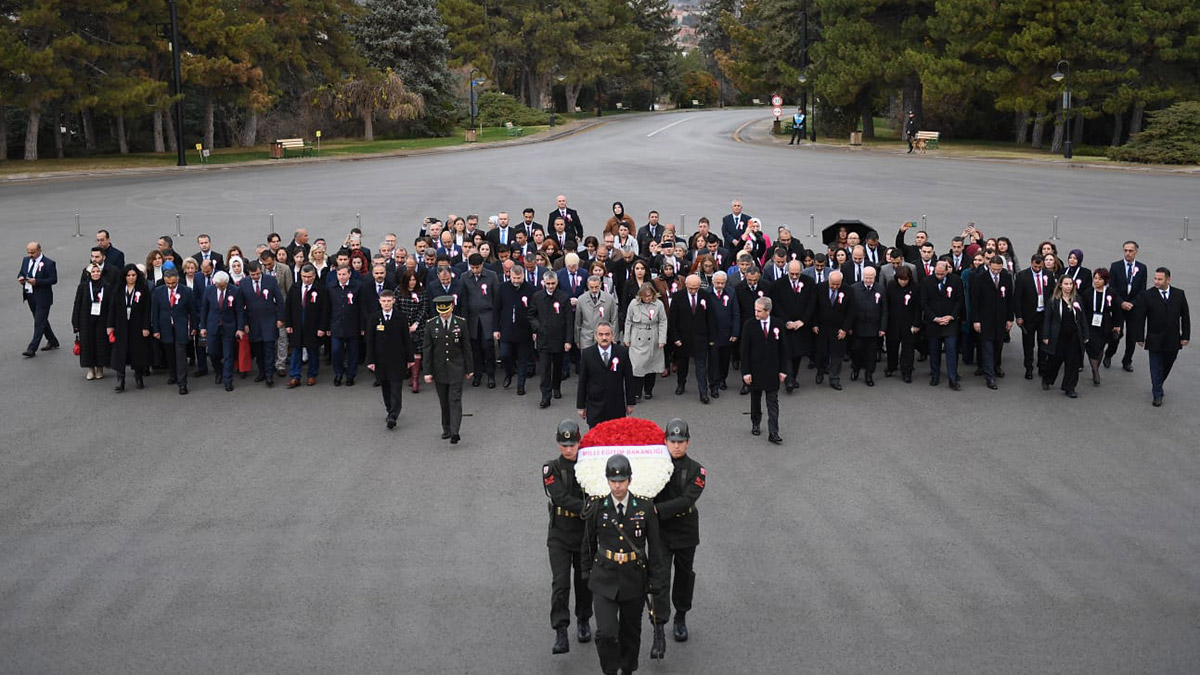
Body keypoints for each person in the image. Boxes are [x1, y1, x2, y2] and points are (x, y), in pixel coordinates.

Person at [581, 454, 669, 675]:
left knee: (631, 633)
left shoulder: (645, 507)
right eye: (613, 481)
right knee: (606, 633)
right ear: (607, 480)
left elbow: (656, 548)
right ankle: (610, 670)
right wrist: (585, 573)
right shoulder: (597, 506)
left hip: (633, 578)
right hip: (604, 577)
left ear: (630, 480)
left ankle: (628, 670)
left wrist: (656, 581)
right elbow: (588, 543)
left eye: (621, 480)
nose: (617, 486)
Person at [650, 418, 705, 648]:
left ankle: (680, 616)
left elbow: (686, 500)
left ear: (688, 442)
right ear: (665, 441)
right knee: (659, 579)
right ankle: (659, 627)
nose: (676, 446)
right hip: (661, 531)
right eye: (672, 441)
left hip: (685, 529)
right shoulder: (655, 466)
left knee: (684, 575)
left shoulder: (696, 470)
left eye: (681, 441)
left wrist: (657, 509)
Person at [543, 420, 593, 655]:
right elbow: (559, 497)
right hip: (560, 534)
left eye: (572, 444)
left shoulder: (590, 467)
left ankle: (583, 620)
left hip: (584, 534)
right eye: (564, 445)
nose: (569, 449)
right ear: (558, 444)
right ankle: (560, 630)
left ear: (579, 442)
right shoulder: (551, 468)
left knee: (584, 583)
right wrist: (586, 507)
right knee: (561, 584)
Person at [1131, 267, 1190, 407]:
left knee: (1168, 364)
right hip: (1154, 338)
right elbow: (1140, 318)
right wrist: (1139, 336)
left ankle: (1158, 383)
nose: (1156, 281)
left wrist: (1185, 335)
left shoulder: (1179, 294)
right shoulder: (1147, 295)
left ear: (1168, 279)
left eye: (1160, 279)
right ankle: (1157, 393)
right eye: (1155, 279)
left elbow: (1185, 317)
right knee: (1155, 367)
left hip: (1173, 338)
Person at [422, 295, 474, 444]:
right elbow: (427, 350)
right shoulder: (431, 325)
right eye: (441, 312)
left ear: (452, 308)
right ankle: (446, 427)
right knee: (444, 401)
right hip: (439, 369)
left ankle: (455, 431)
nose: (444, 314)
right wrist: (427, 371)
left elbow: (466, 347)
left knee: (455, 399)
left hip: (457, 368)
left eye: (447, 311)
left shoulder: (461, 323)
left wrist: (469, 368)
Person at [365, 290, 415, 429]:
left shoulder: (401, 317)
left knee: (396, 387)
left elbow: (406, 339)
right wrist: (370, 360)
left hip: (397, 358)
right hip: (381, 359)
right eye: (383, 301)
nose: (386, 304)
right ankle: (389, 409)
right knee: (385, 386)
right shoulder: (374, 318)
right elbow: (370, 340)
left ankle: (393, 414)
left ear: (393, 301)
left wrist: (410, 358)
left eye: (389, 301)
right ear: (380, 302)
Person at [741, 297, 788, 443]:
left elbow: (783, 349)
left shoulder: (778, 324)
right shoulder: (749, 325)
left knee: (773, 402)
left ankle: (773, 432)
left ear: (768, 311)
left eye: (759, 311)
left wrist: (783, 370)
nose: (756, 313)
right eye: (755, 310)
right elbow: (744, 350)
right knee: (755, 399)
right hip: (755, 370)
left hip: (772, 370)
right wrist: (746, 372)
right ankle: (756, 422)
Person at [575, 322, 636, 427]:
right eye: (601, 334)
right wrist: (581, 406)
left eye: (607, 334)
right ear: (596, 336)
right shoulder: (587, 354)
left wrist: (630, 402)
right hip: (595, 407)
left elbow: (629, 379)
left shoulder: (622, 352)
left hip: (616, 406)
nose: (604, 337)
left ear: (612, 335)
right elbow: (583, 381)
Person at [668, 275, 717, 402]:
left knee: (701, 365)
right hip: (683, 338)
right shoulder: (678, 297)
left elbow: (710, 317)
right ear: (686, 286)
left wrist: (711, 337)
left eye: (696, 288)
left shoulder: (705, 296)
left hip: (701, 337)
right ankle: (681, 384)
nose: (694, 291)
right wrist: (675, 337)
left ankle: (703, 393)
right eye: (691, 288)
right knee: (682, 364)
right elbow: (672, 320)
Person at [150, 267, 198, 395]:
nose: (170, 286)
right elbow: (155, 312)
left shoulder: (186, 291)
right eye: (168, 283)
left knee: (180, 354)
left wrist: (194, 327)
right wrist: (155, 329)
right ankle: (173, 374)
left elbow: (192, 311)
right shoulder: (158, 291)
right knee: (170, 353)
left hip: (181, 327)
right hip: (165, 327)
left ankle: (182, 383)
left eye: (173, 283)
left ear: (177, 279)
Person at [529, 272, 573, 408]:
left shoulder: (564, 297)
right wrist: (537, 328)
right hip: (543, 339)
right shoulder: (537, 297)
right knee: (545, 368)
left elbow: (569, 320)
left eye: (553, 283)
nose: (550, 286)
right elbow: (531, 315)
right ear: (543, 283)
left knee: (557, 366)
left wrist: (568, 340)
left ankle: (556, 387)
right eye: (548, 284)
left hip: (559, 338)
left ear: (557, 282)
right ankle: (545, 396)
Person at [970, 256, 1015, 390]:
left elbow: (1009, 299)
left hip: (1001, 319)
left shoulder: (1006, 277)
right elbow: (975, 302)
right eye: (994, 269)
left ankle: (996, 366)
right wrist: (976, 320)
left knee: (998, 345)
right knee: (987, 347)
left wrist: (1010, 318)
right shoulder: (980, 278)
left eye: (999, 270)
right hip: (985, 319)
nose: (996, 272)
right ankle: (989, 376)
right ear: (989, 266)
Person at [1041, 275, 1087, 398]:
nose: (1068, 287)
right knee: (1054, 361)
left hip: (1074, 337)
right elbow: (1047, 319)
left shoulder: (1077, 299)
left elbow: (1082, 319)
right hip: (1059, 337)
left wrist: (1085, 335)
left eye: (1070, 284)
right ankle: (1047, 379)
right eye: (1066, 284)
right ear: (1060, 285)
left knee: (1073, 363)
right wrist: (1046, 335)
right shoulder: (1053, 301)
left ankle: (1069, 387)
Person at [107, 264, 152, 391]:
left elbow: (147, 310)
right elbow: (112, 308)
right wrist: (110, 325)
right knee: (120, 352)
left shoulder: (142, 290)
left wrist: (146, 327)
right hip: (121, 325)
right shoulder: (119, 289)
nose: (131, 278)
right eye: (128, 275)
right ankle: (120, 379)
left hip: (137, 325)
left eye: (133, 275)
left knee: (137, 351)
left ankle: (138, 376)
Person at [920, 260, 964, 390]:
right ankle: (935, 375)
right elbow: (923, 303)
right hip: (934, 322)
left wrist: (951, 316)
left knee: (951, 350)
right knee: (934, 350)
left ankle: (952, 377)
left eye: (942, 274)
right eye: (937, 274)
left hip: (950, 322)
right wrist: (934, 318)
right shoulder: (927, 281)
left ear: (947, 271)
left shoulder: (955, 280)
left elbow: (959, 300)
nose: (939, 277)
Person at [240, 260, 284, 387]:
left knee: (269, 348)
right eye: (253, 275)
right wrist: (245, 324)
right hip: (253, 323)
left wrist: (280, 318)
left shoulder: (270, 280)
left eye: (258, 274)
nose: (255, 277)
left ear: (261, 270)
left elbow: (279, 300)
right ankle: (262, 371)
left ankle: (269, 375)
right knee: (258, 350)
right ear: (249, 273)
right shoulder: (244, 283)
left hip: (269, 320)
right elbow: (240, 306)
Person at [285, 264, 330, 388]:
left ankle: (312, 375)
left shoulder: (320, 289)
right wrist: (288, 324)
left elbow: (325, 310)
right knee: (296, 350)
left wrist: (322, 327)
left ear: (314, 276)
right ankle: (295, 376)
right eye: (304, 276)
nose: (306, 279)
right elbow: (288, 306)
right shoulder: (295, 288)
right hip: (297, 324)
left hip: (313, 325)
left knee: (313, 350)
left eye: (309, 277)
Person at [200, 271, 246, 392]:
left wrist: (240, 328)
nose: (220, 287)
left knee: (228, 355)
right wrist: (203, 327)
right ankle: (218, 371)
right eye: (218, 285)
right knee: (213, 353)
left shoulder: (235, 291)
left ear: (226, 282)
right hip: (213, 326)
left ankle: (228, 380)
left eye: (222, 285)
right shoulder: (209, 290)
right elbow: (204, 309)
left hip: (228, 327)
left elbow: (240, 311)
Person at [1106, 240, 1148, 372]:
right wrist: (1121, 302)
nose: (1128, 253)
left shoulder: (1142, 268)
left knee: (1132, 336)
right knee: (1117, 333)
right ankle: (1108, 355)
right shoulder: (1116, 266)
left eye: (1130, 251)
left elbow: (1142, 289)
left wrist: (1133, 303)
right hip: (1119, 305)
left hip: (1134, 307)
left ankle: (1127, 360)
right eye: (1125, 250)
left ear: (1136, 252)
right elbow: (1112, 287)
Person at [461, 253, 500, 389]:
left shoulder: (492, 276)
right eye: (472, 268)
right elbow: (463, 300)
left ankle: (490, 374)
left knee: (488, 347)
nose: (475, 270)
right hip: (472, 318)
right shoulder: (464, 277)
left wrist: (496, 321)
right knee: (474, 348)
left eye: (477, 267)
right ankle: (477, 374)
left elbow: (497, 298)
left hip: (487, 317)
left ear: (482, 265)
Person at [624, 282, 668, 401]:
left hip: (653, 335)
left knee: (651, 366)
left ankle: (648, 390)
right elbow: (628, 321)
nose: (647, 298)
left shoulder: (658, 304)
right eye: (645, 296)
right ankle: (637, 392)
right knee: (637, 366)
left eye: (649, 295)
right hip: (637, 335)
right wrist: (626, 338)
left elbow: (663, 321)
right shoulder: (634, 304)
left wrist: (662, 339)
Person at [496, 264, 536, 395]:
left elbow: (535, 311)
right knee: (504, 355)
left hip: (524, 331)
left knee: (523, 359)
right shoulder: (502, 288)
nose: (516, 281)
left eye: (519, 278)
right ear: (510, 275)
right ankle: (509, 373)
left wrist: (535, 330)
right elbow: (496, 309)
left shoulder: (531, 289)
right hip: (506, 329)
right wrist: (496, 329)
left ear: (523, 276)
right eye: (514, 278)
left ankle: (521, 385)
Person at [813, 270, 855, 390]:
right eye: (833, 284)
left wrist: (845, 329)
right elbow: (814, 307)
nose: (835, 287)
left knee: (837, 355)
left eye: (837, 284)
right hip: (822, 327)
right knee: (822, 353)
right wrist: (814, 324)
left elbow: (851, 312)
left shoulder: (848, 290)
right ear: (829, 280)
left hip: (839, 328)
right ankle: (820, 371)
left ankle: (834, 378)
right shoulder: (820, 288)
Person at [19, 241, 60, 357]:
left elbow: (53, 279)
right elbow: (21, 272)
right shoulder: (26, 260)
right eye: (29, 252)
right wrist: (21, 278)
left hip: (43, 297)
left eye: (33, 252)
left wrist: (37, 282)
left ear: (39, 250)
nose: (30, 255)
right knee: (42, 321)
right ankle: (53, 340)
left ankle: (32, 348)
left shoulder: (49, 263)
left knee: (38, 323)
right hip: (30, 295)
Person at [71, 264, 112, 380]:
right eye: (93, 272)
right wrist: (75, 323)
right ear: (89, 273)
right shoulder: (83, 286)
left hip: (102, 320)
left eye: (98, 271)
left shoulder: (107, 286)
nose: (96, 274)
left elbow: (110, 305)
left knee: (101, 344)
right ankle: (90, 369)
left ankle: (100, 368)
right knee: (88, 345)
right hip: (86, 320)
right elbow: (77, 304)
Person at [1014, 253, 1051, 379]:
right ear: (1031, 263)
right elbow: (1017, 298)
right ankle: (1028, 368)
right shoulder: (1022, 276)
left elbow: (1052, 295)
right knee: (1028, 344)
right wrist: (1018, 316)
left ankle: (1042, 366)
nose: (1037, 269)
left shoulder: (1048, 275)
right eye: (1035, 266)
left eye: (1039, 267)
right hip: (1029, 315)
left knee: (1043, 343)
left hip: (1044, 315)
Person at [849, 266, 887, 386]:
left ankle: (869, 375)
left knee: (871, 354)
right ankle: (855, 369)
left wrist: (882, 328)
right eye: (866, 277)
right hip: (858, 328)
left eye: (871, 278)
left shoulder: (880, 289)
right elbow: (849, 310)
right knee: (856, 351)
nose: (868, 280)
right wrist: (849, 326)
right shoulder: (854, 288)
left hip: (873, 328)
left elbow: (885, 310)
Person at [1083, 269, 1122, 387]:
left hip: (1105, 322)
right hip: (1090, 322)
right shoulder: (1087, 293)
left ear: (1105, 280)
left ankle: (1096, 367)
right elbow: (1083, 310)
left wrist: (1117, 325)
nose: (1097, 281)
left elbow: (1116, 310)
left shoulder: (1111, 293)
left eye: (1100, 279)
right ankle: (1095, 371)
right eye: (1095, 278)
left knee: (1100, 346)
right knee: (1091, 346)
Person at [328, 265, 365, 387]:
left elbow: (361, 308)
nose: (342, 277)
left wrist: (362, 327)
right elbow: (327, 308)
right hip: (336, 324)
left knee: (353, 352)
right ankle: (338, 373)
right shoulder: (331, 287)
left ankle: (350, 375)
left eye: (344, 274)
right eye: (339, 274)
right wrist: (327, 326)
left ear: (349, 274)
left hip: (353, 324)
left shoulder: (358, 286)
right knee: (336, 350)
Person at [884, 266, 921, 382]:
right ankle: (891, 367)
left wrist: (916, 324)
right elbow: (886, 305)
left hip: (908, 324)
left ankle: (907, 372)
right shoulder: (891, 286)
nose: (903, 282)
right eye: (901, 279)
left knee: (908, 349)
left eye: (905, 279)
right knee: (892, 347)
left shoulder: (915, 288)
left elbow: (918, 308)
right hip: (893, 323)